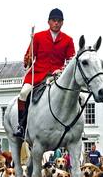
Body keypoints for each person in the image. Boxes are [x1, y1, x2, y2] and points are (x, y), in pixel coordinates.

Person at [13, 8, 76, 137]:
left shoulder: (68, 40)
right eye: (54, 20)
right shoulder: (38, 37)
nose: (56, 23)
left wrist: (62, 70)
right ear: (49, 22)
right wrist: (28, 59)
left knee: (78, 96)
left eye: (59, 21)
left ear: (62, 23)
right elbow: (27, 59)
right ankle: (21, 125)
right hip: (38, 74)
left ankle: (75, 127)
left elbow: (71, 61)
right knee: (23, 93)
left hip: (58, 75)